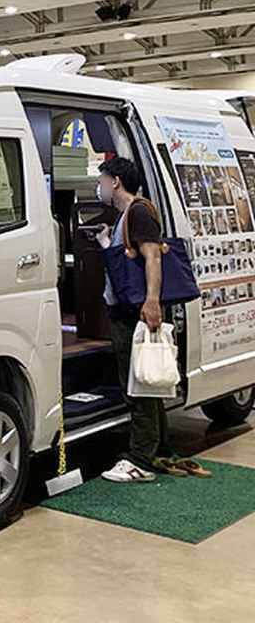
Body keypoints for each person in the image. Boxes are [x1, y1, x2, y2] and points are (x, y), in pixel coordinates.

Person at [95, 157, 209, 482]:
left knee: (138, 386)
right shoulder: (125, 217)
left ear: (115, 181)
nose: (100, 187)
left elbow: (153, 257)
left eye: (102, 180)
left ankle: (140, 460)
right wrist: (107, 243)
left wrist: (152, 301)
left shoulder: (139, 212)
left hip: (136, 312)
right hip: (128, 310)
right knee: (148, 381)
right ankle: (159, 450)